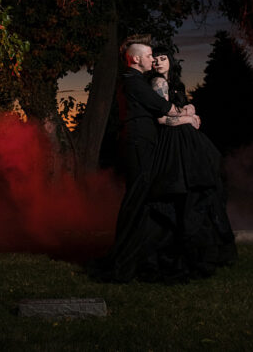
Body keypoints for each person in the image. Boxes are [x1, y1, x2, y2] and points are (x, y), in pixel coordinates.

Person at [92, 40, 199, 283]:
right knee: (136, 201)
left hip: (142, 145)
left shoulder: (135, 81)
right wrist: (189, 114)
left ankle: (140, 257)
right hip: (138, 146)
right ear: (137, 59)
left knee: (142, 201)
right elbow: (165, 109)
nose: (154, 59)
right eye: (150, 55)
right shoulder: (133, 82)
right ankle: (124, 261)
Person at [148, 46, 237, 277]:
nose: (158, 62)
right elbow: (162, 118)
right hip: (173, 141)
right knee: (187, 192)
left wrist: (190, 109)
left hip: (187, 140)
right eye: (155, 59)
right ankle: (182, 251)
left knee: (202, 188)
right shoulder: (158, 83)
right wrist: (188, 118)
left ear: (171, 60)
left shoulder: (175, 83)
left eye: (163, 58)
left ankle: (203, 249)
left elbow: (178, 106)